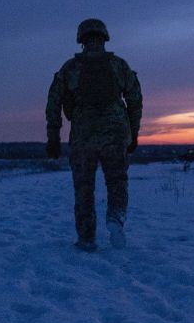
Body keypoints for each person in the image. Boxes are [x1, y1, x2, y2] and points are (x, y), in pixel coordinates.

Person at [46, 19, 143, 251]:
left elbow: (53, 102)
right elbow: (135, 99)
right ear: (104, 38)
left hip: (83, 136)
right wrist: (133, 133)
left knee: (83, 188)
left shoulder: (70, 68)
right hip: (115, 134)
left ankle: (87, 239)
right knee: (117, 182)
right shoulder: (119, 66)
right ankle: (115, 218)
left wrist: (53, 137)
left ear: (81, 40)